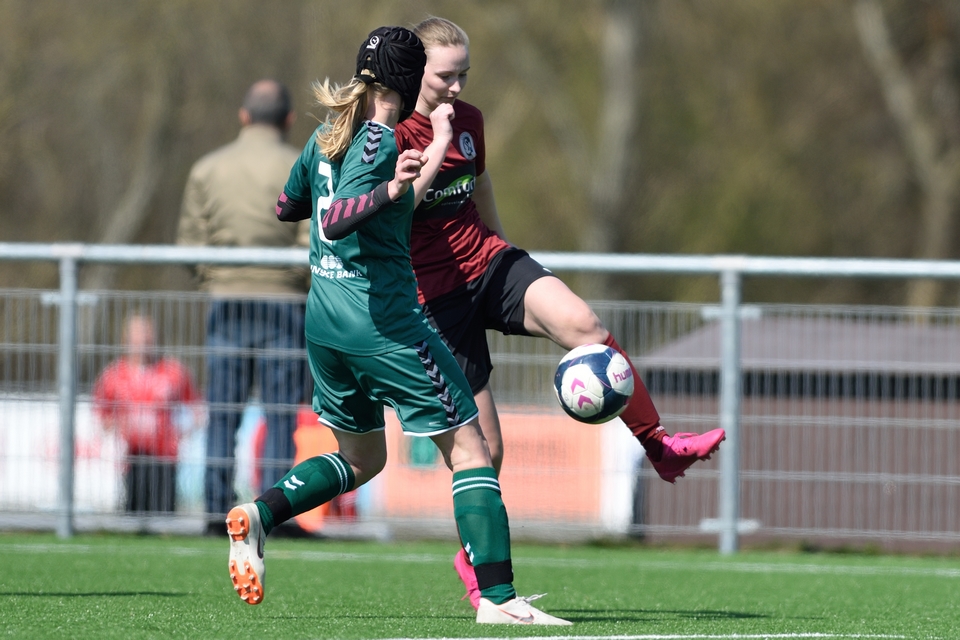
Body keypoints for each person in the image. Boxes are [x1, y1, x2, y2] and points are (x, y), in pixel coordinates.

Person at [225, 26, 570, 626]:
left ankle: (259, 515)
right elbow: (336, 219)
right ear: (409, 83)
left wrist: (400, 174)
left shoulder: (326, 134)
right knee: (472, 449)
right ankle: (498, 599)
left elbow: (288, 207)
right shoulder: (378, 139)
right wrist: (386, 186)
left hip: (324, 321)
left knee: (361, 459)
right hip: (380, 323)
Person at [394, 16, 727, 608]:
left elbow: (480, 184)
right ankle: (476, 559)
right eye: (447, 75)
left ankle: (659, 446)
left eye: (465, 73)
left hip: (487, 263)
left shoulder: (469, 120)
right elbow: (393, 217)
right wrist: (435, 144)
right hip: (433, 298)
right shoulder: (390, 134)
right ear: (415, 72)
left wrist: (506, 250)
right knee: (487, 453)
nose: (458, 86)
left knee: (586, 328)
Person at [177, 79, 310, 535]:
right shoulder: (300, 165)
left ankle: (216, 513)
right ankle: (273, 513)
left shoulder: (207, 168)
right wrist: (290, 280)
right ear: (288, 119)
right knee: (280, 415)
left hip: (226, 302)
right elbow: (313, 239)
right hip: (285, 305)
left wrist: (216, 278)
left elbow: (189, 244)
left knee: (223, 413)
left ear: (243, 115)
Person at [92, 314, 200, 513]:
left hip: (165, 458)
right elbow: (101, 414)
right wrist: (119, 426)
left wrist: (181, 431)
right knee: (133, 512)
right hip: (131, 458)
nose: (142, 341)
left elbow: (196, 409)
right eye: (137, 335)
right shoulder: (113, 375)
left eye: (147, 335)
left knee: (164, 512)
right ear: (126, 339)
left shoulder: (174, 372)